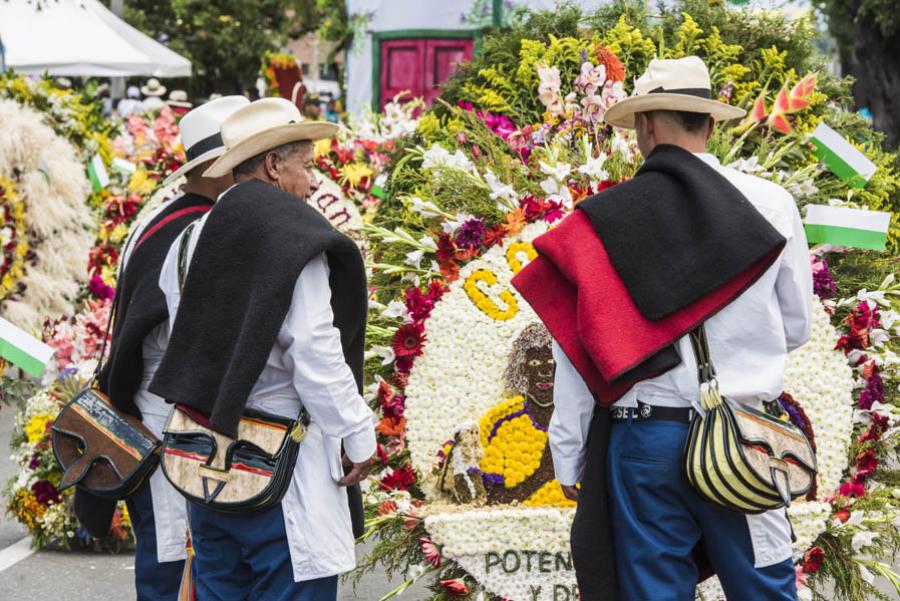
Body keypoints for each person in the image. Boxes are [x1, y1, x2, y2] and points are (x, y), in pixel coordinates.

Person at [513, 56, 812, 601]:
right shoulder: (773, 204)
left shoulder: (600, 219)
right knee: (765, 589)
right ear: (711, 123)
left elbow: (579, 356)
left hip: (644, 439)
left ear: (645, 126)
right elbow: (796, 327)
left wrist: (570, 452)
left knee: (652, 592)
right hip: (745, 435)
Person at [149, 97, 376, 601]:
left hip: (204, 463)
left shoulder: (189, 239)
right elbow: (315, 353)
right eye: (308, 165)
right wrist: (359, 435)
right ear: (274, 165)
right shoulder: (293, 239)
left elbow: (180, 336)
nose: (314, 180)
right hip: (279, 469)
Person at [74, 95, 250, 601]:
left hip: (154, 410)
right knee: (172, 554)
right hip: (166, 418)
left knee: (169, 550)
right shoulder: (196, 229)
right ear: (222, 167)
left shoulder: (163, 219)